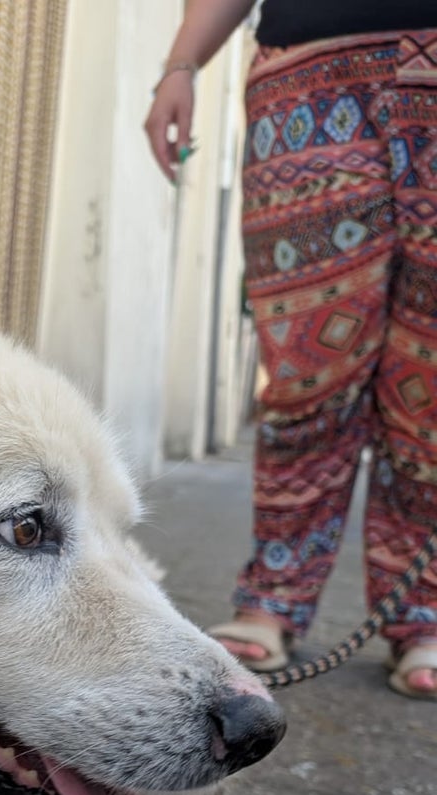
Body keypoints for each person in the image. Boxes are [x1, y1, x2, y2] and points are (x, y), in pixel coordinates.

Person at [144, 2, 437, 698]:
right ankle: (273, 595)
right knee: (307, 360)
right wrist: (181, 65)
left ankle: (424, 612)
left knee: (428, 378)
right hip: (309, 68)